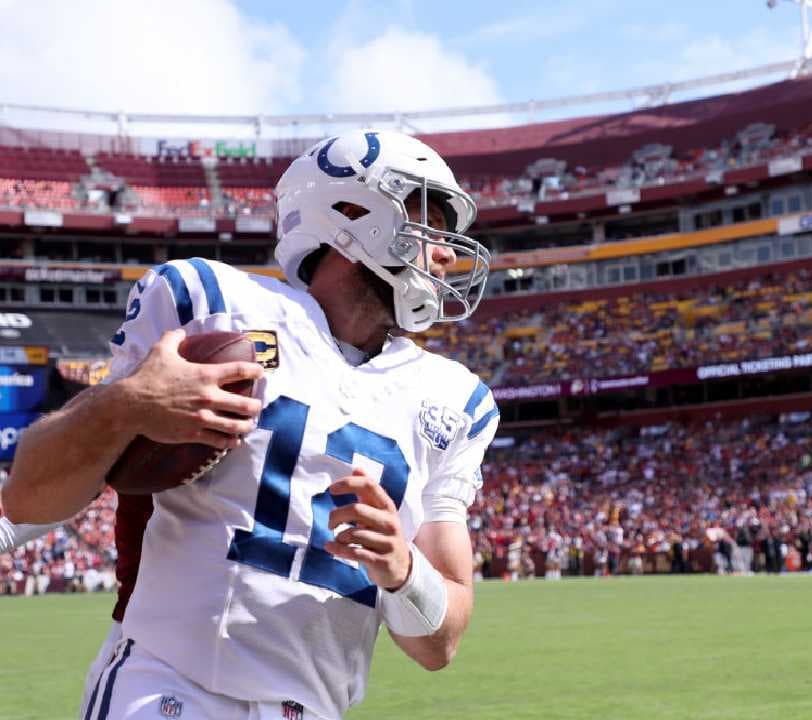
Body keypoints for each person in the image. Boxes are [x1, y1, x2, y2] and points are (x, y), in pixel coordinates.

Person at [2, 129, 500, 720]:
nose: (444, 251)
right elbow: (29, 495)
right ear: (352, 213)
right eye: (426, 219)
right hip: (168, 688)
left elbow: (439, 646)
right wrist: (125, 403)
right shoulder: (216, 308)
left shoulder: (453, 401)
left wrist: (403, 569)